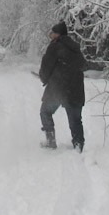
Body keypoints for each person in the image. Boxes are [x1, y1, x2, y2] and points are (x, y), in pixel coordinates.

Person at [39, 21, 88, 152]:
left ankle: (50, 141)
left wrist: (44, 78)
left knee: (45, 112)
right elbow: (84, 65)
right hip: (76, 90)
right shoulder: (75, 48)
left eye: (52, 33)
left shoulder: (55, 47)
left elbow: (46, 66)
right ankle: (78, 145)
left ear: (58, 34)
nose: (51, 35)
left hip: (58, 88)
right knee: (75, 120)